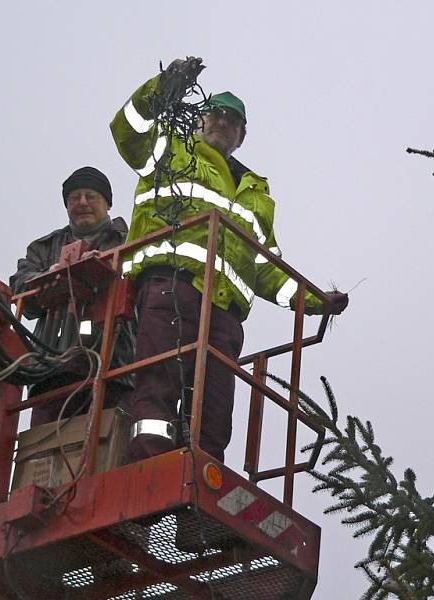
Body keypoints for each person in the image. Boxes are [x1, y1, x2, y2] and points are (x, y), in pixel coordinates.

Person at [110, 58, 348, 463]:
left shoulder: (256, 193)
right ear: (200, 120)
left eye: (232, 120)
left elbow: (266, 267)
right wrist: (164, 86)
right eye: (215, 114)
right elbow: (126, 130)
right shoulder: (171, 148)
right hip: (172, 288)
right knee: (158, 390)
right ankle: (147, 473)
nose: (222, 122)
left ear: (242, 134)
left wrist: (312, 300)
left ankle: (200, 494)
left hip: (224, 315)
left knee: (214, 414)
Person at [10, 166, 136, 426]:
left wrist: (108, 268)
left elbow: (143, 285)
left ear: (107, 203)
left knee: (108, 441)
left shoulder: (129, 241)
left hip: (115, 365)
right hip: (52, 369)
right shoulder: (44, 248)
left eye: (91, 196)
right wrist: (47, 278)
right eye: (74, 198)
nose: (82, 203)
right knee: (43, 444)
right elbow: (20, 289)